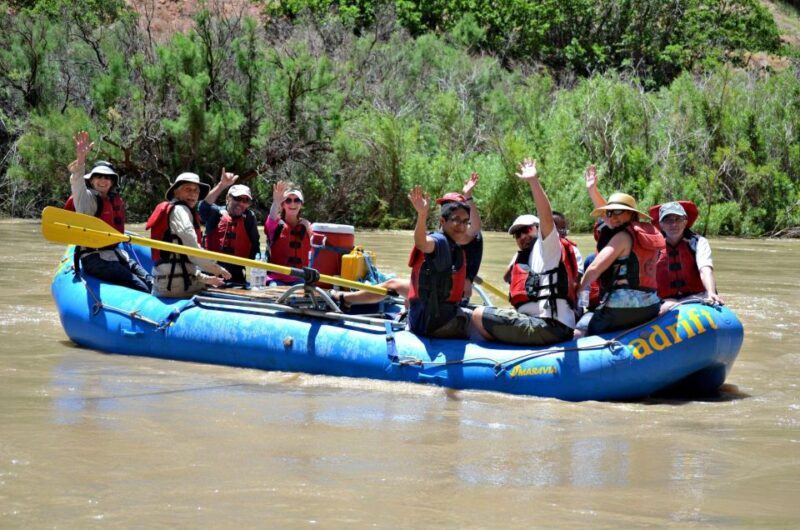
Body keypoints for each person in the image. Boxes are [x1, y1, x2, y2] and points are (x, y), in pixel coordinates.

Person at [471, 159, 579, 345]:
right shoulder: (522, 257)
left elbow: (546, 217)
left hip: (550, 326)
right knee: (474, 314)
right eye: (517, 234)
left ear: (538, 228)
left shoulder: (548, 248)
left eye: (527, 230)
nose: (522, 236)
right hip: (534, 322)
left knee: (478, 315)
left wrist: (533, 182)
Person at [579, 165, 665, 334]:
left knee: (580, 330)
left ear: (630, 214)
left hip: (620, 310)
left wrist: (578, 290)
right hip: (651, 308)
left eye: (618, 212)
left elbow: (594, 269)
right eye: (610, 213)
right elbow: (608, 218)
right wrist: (592, 190)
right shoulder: (645, 233)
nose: (612, 217)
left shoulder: (622, 237)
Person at [65, 131, 152, 293]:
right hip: (94, 258)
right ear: (91, 180)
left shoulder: (113, 200)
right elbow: (77, 183)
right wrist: (81, 159)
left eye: (107, 178)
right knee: (140, 287)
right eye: (98, 177)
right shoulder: (87, 200)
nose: (103, 180)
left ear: (112, 182)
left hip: (116, 254)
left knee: (150, 282)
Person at [146, 173, 231, 298]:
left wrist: (207, 279)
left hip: (168, 283)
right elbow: (192, 251)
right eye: (188, 189)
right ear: (176, 193)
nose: (193, 194)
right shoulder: (180, 210)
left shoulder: (178, 210)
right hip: (177, 287)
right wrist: (217, 269)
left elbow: (183, 259)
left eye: (196, 190)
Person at [406, 185, 473, 338]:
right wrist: (422, 215)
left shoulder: (454, 245)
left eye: (465, 222)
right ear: (443, 221)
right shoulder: (439, 242)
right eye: (456, 220)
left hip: (437, 318)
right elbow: (422, 243)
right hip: (433, 323)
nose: (462, 226)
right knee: (480, 317)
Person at [648, 201, 724, 312]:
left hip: (696, 296)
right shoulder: (652, 247)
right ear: (661, 225)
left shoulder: (698, 242)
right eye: (668, 220)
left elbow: (705, 270)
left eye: (678, 219)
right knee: (664, 308)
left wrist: (711, 292)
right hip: (665, 300)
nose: (674, 224)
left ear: (685, 222)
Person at [199, 169, 260, 285]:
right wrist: (222, 185)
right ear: (228, 198)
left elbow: (255, 247)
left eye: (246, 200)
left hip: (236, 276)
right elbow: (203, 206)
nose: (241, 203)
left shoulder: (249, 218)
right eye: (237, 198)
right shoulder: (215, 213)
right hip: (211, 274)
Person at [264, 181, 312, 285]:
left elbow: (317, 248)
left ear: (301, 204)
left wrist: (309, 230)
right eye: (288, 200)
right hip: (276, 278)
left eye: (297, 200)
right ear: (283, 204)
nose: (292, 204)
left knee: (303, 291)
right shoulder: (276, 225)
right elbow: (272, 217)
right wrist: (276, 202)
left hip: (299, 278)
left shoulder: (307, 226)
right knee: (275, 289)